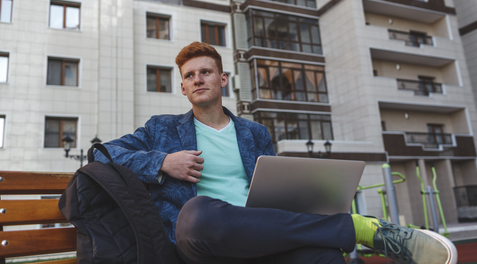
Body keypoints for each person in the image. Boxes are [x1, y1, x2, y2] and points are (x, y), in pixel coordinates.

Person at [95, 42, 457, 264]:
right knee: (198, 214)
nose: (198, 79)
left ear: (223, 79)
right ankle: (363, 229)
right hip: (202, 244)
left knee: (324, 256)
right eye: (190, 76)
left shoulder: (255, 133)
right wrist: (161, 161)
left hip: (261, 240)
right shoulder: (161, 129)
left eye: (206, 71)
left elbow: (273, 196)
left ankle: (357, 233)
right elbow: (102, 154)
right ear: (183, 87)